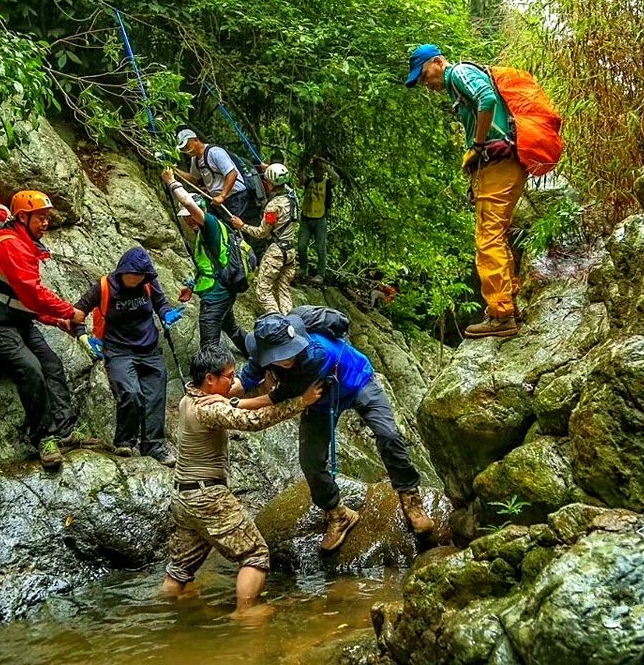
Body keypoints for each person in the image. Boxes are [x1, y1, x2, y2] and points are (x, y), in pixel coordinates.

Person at [236, 314, 434, 553]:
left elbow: (276, 399)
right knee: (310, 460)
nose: (286, 358)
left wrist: (235, 405)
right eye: (279, 355)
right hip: (319, 399)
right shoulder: (262, 354)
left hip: (356, 381)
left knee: (388, 435)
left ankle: (411, 500)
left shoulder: (316, 355)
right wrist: (216, 394)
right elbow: (246, 380)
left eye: (289, 352)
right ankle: (338, 514)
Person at [162, 345, 322, 615]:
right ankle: (245, 613)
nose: (234, 382)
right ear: (210, 379)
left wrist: (260, 391)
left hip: (183, 498)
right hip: (208, 498)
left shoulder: (188, 398)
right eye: (229, 376)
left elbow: (234, 398)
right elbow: (253, 421)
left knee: (180, 571)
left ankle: (162, 615)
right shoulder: (209, 410)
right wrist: (301, 402)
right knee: (256, 555)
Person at [407, 44, 527, 339]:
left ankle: (501, 315)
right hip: (497, 165)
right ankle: (508, 299)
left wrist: (477, 143)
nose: (426, 84)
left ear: (437, 62)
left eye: (424, 76)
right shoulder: (455, 87)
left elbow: (486, 99)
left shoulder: (458, 72)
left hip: (499, 162)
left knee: (488, 237)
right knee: (494, 233)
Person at [0, 189, 86, 467]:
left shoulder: (24, 245)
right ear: (22, 217)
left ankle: (64, 430)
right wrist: (69, 312)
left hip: (16, 319)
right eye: (40, 218)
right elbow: (31, 293)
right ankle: (44, 438)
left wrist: (57, 321)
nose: (45, 223)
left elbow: (21, 299)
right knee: (30, 368)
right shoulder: (11, 245)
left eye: (47, 218)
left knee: (52, 364)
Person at [75, 247, 182, 465]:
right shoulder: (105, 286)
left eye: (141, 276)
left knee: (155, 399)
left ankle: (154, 447)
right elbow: (77, 312)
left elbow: (160, 303)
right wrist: (82, 336)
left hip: (150, 349)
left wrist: (166, 313)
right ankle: (125, 442)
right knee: (131, 394)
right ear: (123, 271)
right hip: (118, 351)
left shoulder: (148, 283)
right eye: (133, 275)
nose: (137, 279)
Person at [161, 168, 248, 354]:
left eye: (190, 216)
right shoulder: (203, 233)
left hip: (217, 296)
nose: (188, 220)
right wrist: (192, 286)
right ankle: (256, 353)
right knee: (231, 328)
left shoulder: (209, 225)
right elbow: (207, 265)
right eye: (185, 218)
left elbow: (187, 202)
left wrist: (171, 181)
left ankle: (214, 376)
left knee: (209, 345)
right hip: (221, 291)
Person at [230, 163, 298, 316]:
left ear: (269, 183)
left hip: (276, 252)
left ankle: (278, 322)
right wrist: (270, 169)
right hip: (290, 252)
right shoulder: (292, 198)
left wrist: (242, 226)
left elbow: (261, 233)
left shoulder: (273, 207)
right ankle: (290, 318)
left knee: (262, 291)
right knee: (283, 289)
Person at [176, 128, 251, 220]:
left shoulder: (214, 152)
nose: (187, 150)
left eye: (188, 146)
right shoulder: (195, 160)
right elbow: (193, 179)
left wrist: (222, 196)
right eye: (184, 149)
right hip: (219, 201)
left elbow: (232, 173)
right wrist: (174, 170)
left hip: (236, 197)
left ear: (196, 140)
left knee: (236, 227)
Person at [298, 159, 334, 285]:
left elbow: (337, 178)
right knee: (301, 246)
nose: (318, 172)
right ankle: (303, 269)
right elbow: (300, 177)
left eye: (321, 170)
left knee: (320, 248)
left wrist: (325, 165)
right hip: (306, 218)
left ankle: (320, 274)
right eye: (317, 169)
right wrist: (307, 163)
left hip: (320, 219)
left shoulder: (327, 183)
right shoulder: (309, 181)